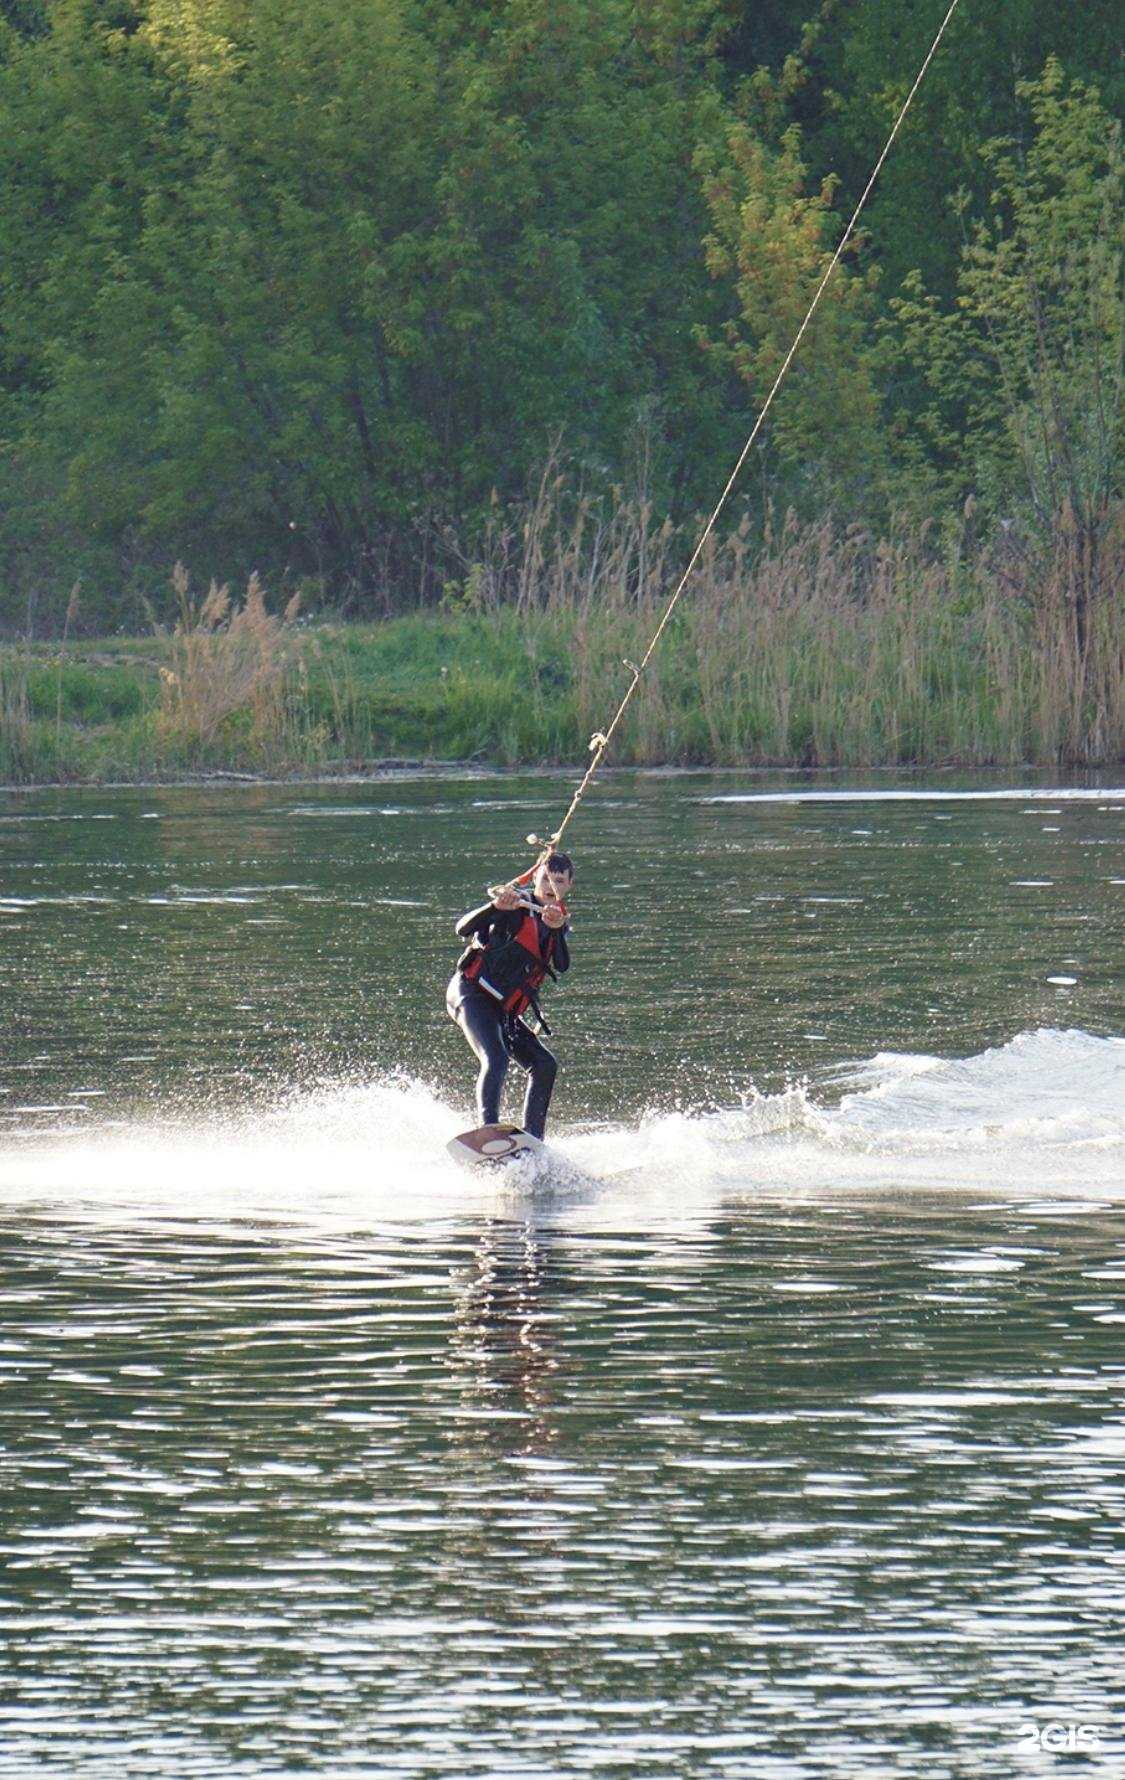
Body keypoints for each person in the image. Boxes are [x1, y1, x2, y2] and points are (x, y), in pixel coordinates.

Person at [447, 851, 574, 1140]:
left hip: (504, 1010)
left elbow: (563, 965)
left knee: (544, 1065)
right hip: (472, 994)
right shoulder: (514, 905)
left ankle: (532, 1140)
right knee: (497, 1058)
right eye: (545, 879)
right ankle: (488, 1130)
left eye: (558, 881)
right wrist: (495, 906)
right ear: (536, 880)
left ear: (568, 886)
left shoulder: (557, 921)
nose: (550, 887)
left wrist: (555, 931)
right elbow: (462, 928)